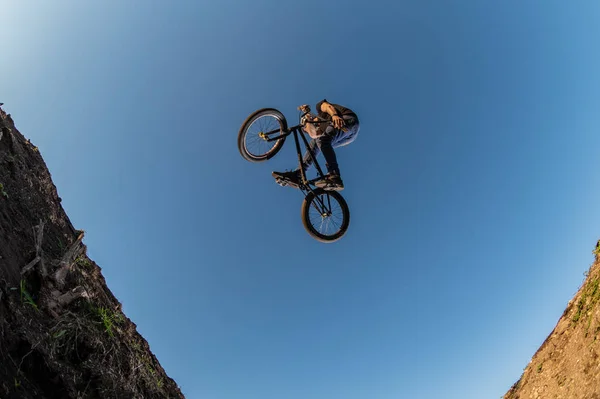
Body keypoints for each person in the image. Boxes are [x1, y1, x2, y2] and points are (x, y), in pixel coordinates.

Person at [272, 99, 360, 191]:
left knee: (322, 139)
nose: (316, 126)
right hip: (347, 137)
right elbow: (314, 135)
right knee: (316, 142)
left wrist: (334, 115)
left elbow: (328, 107)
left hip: (347, 119)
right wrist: (308, 123)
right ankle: (298, 174)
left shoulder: (320, 109)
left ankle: (334, 175)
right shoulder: (321, 129)